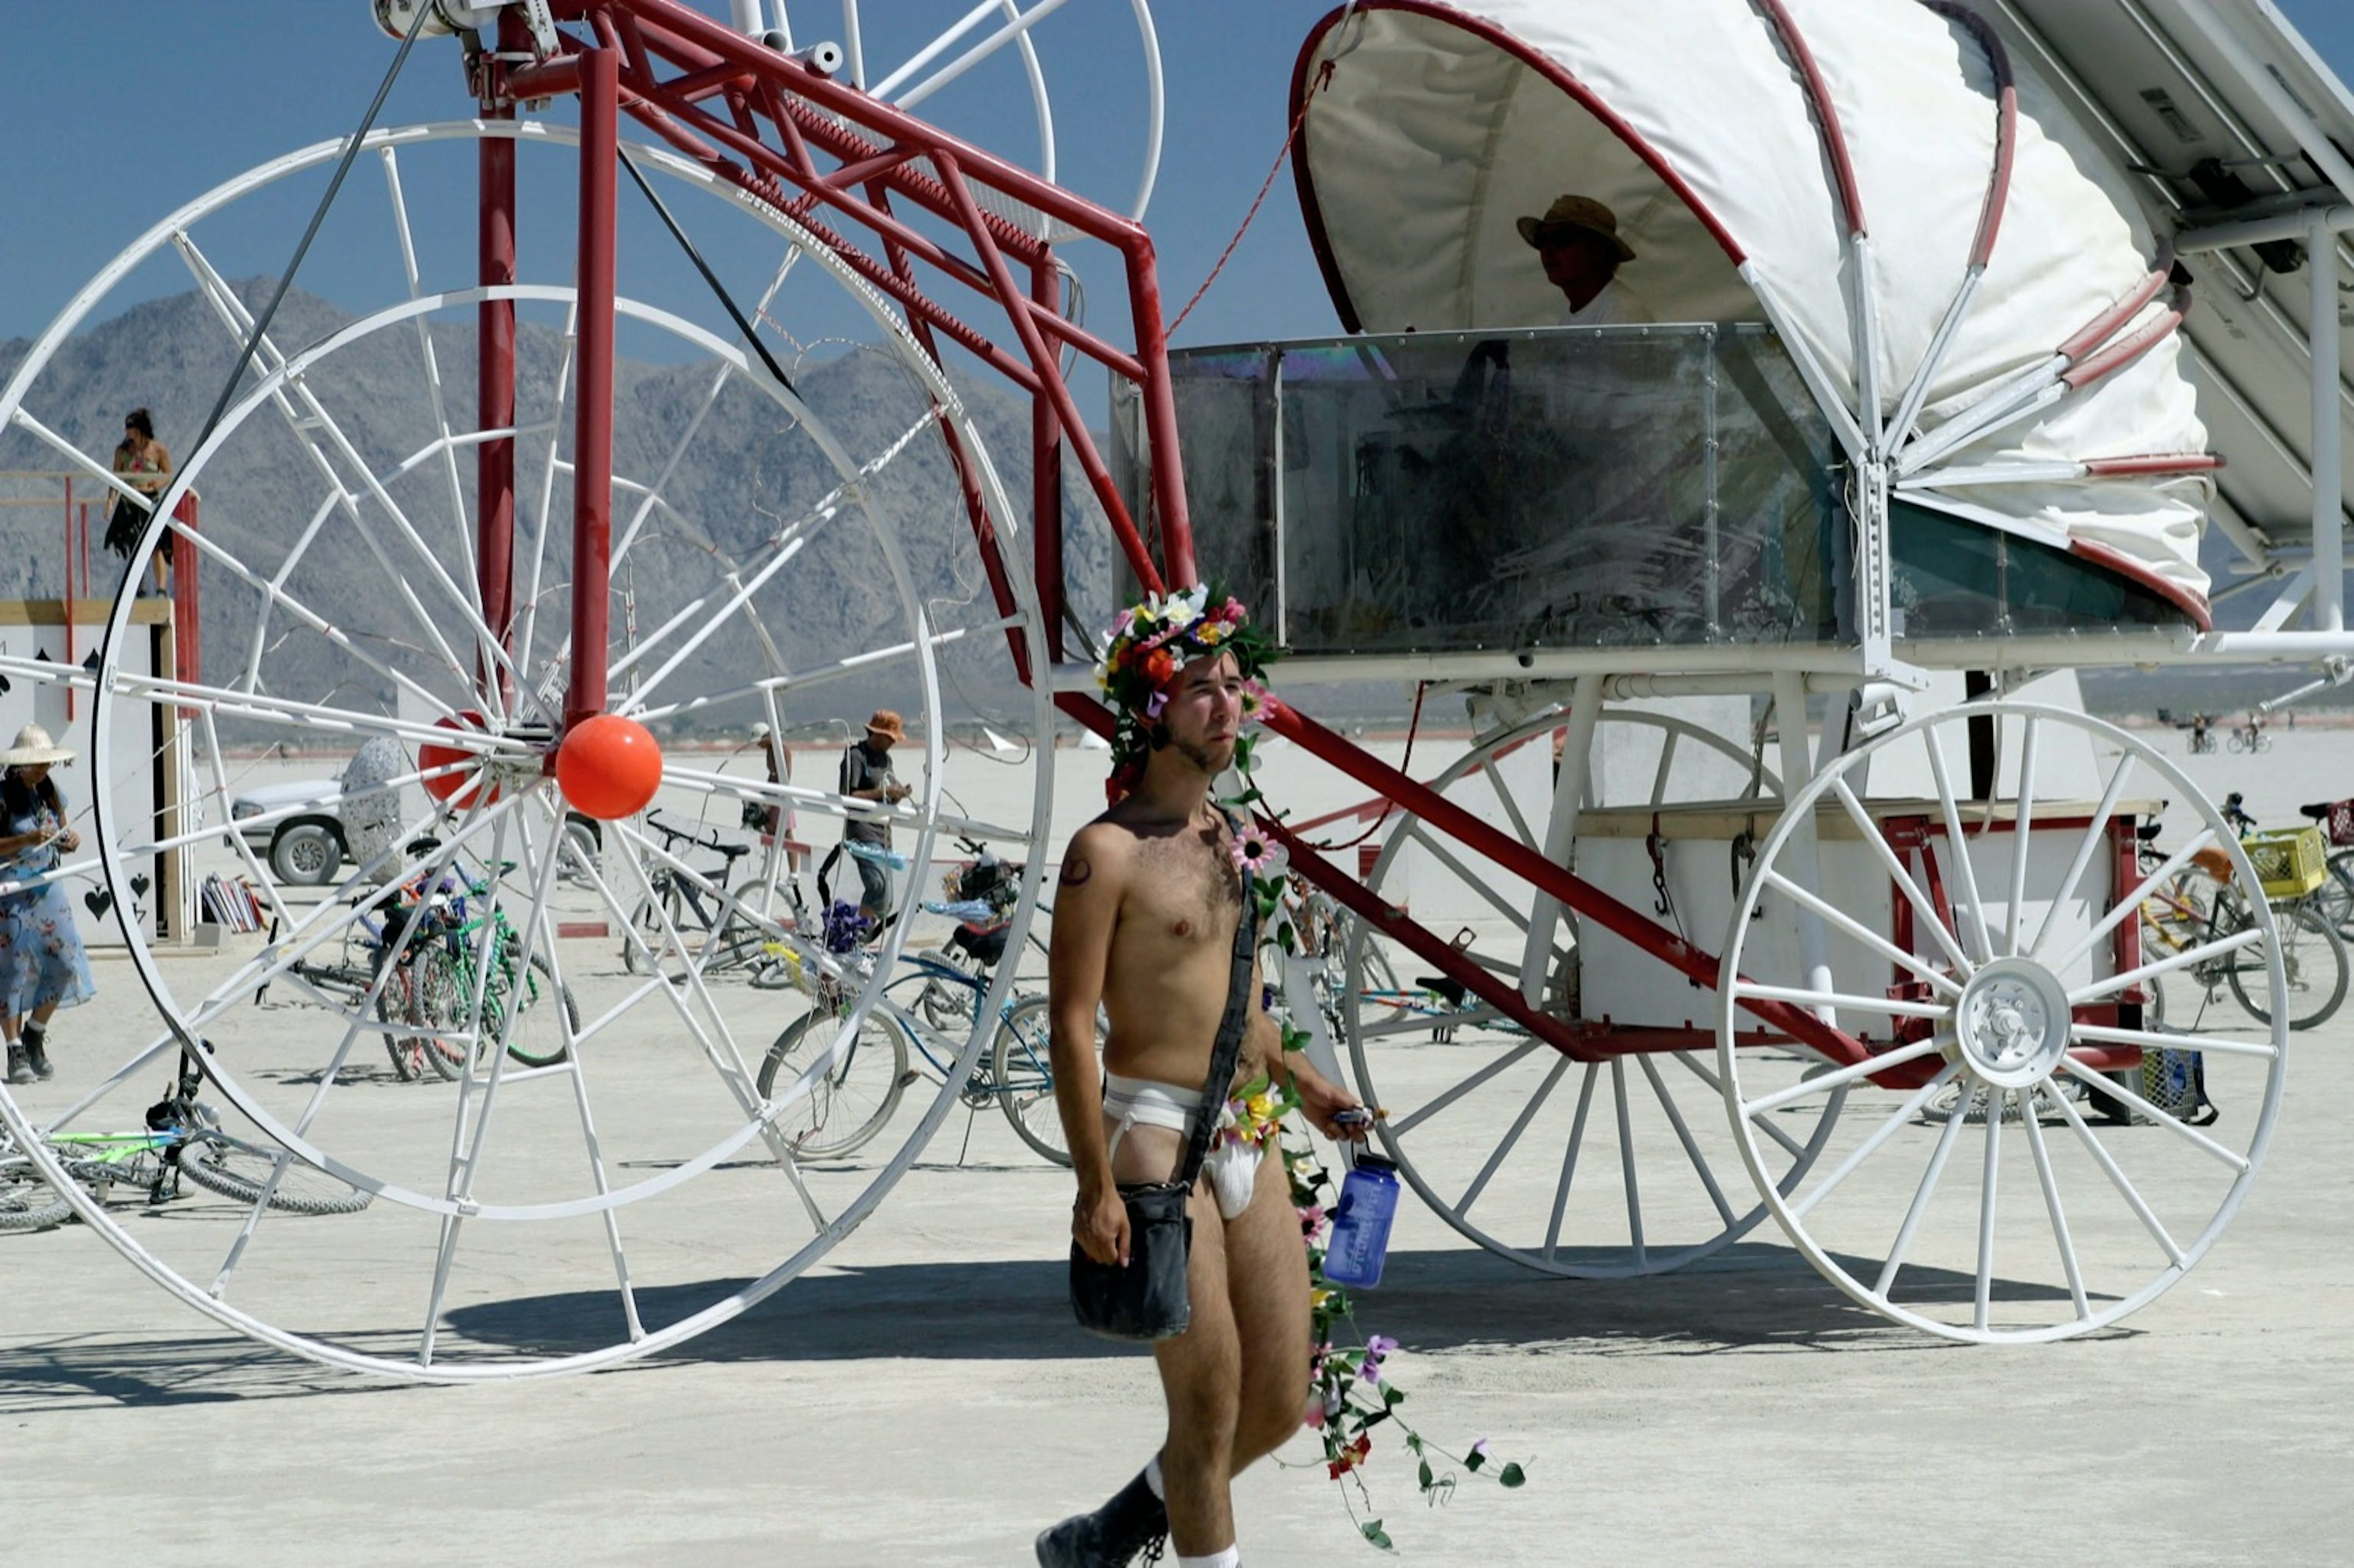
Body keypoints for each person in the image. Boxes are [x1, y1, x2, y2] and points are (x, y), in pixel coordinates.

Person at [1037, 589, 1368, 1568]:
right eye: (1199, 690)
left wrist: (1304, 1079)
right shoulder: (1105, 853)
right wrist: (1094, 1185)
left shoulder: (1229, 838)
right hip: (1154, 1132)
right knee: (1209, 1402)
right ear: (1150, 710)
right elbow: (1068, 1024)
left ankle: (1111, 1531)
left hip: (1246, 1124)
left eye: (1234, 686)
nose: (1228, 706)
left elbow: (1241, 1002)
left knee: (1278, 1394)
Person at [0, 725, 95, 1085]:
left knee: (65, 961)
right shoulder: (3, 796)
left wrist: (68, 841)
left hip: (47, 887)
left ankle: (35, 1033)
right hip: (10, 891)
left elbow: (61, 835)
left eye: (47, 764)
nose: (44, 770)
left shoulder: (51, 792)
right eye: (37, 765)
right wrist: (25, 838)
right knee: (12, 970)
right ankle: (14, 1051)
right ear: (20, 765)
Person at [1517, 193, 1653, 325]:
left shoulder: (1621, 314)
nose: (1547, 251)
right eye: (1542, 240)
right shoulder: (1574, 317)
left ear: (1598, 251)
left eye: (1561, 238)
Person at [839, 709, 911, 926]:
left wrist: (899, 794)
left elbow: (889, 791)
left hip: (883, 833)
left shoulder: (886, 761)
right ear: (877, 735)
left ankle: (859, 931)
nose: (894, 743)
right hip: (862, 830)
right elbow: (847, 796)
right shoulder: (856, 757)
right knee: (877, 886)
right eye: (891, 739)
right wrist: (883, 792)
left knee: (886, 898)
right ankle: (854, 934)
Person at [108, 408, 174, 597]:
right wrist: (111, 501)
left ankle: (161, 589)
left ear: (140, 429)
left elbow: (168, 475)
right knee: (133, 545)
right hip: (129, 501)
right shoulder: (122, 452)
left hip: (150, 501)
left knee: (156, 546)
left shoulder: (158, 451)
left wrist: (157, 483)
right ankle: (139, 586)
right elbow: (116, 478)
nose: (127, 432)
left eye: (131, 428)